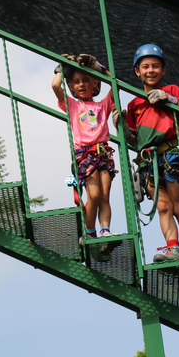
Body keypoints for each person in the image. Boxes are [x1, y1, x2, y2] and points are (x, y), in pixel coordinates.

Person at [124, 44, 179, 262]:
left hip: (168, 153)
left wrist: (170, 100)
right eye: (145, 67)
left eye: (155, 66)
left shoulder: (172, 91)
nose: (150, 70)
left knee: (178, 205)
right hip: (147, 160)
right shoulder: (134, 104)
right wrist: (121, 127)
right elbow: (132, 140)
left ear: (163, 70)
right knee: (163, 206)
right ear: (137, 72)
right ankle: (173, 248)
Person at [52, 53, 116, 261]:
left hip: (103, 152)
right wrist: (63, 67)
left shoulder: (102, 105)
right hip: (85, 155)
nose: (81, 85)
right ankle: (89, 233)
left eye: (86, 80)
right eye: (77, 81)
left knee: (104, 195)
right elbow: (55, 86)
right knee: (94, 195)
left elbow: (116, 87)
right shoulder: (72, 105)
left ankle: (105, 231)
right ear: (71, 86)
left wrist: (98, 68)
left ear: (95, 83)